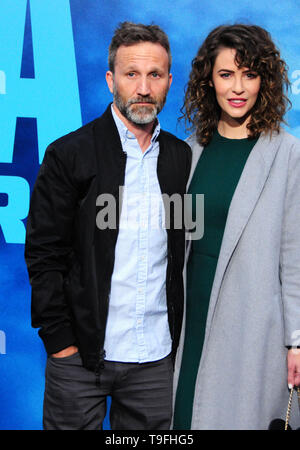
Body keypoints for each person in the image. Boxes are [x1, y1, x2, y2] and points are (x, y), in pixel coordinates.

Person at [25, 21, 191, 430]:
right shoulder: (68, 154)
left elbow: (182, 252)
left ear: (169, 81)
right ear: (110, 79)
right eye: (131, 74)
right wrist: (60, 342)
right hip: (80, 357)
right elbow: (44, 253)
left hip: (155, 360)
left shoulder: (181, 158)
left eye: (154, 75)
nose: (143, 87)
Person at [173, 24, 300, 430]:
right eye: (226, 74)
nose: (238, 87)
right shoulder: (191, 149)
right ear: (208, 80)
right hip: (190, 319)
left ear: (265, 80)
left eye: (250, 74)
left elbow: (295, 257)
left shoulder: (287, 152)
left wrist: (296, 340)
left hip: (252, 325)